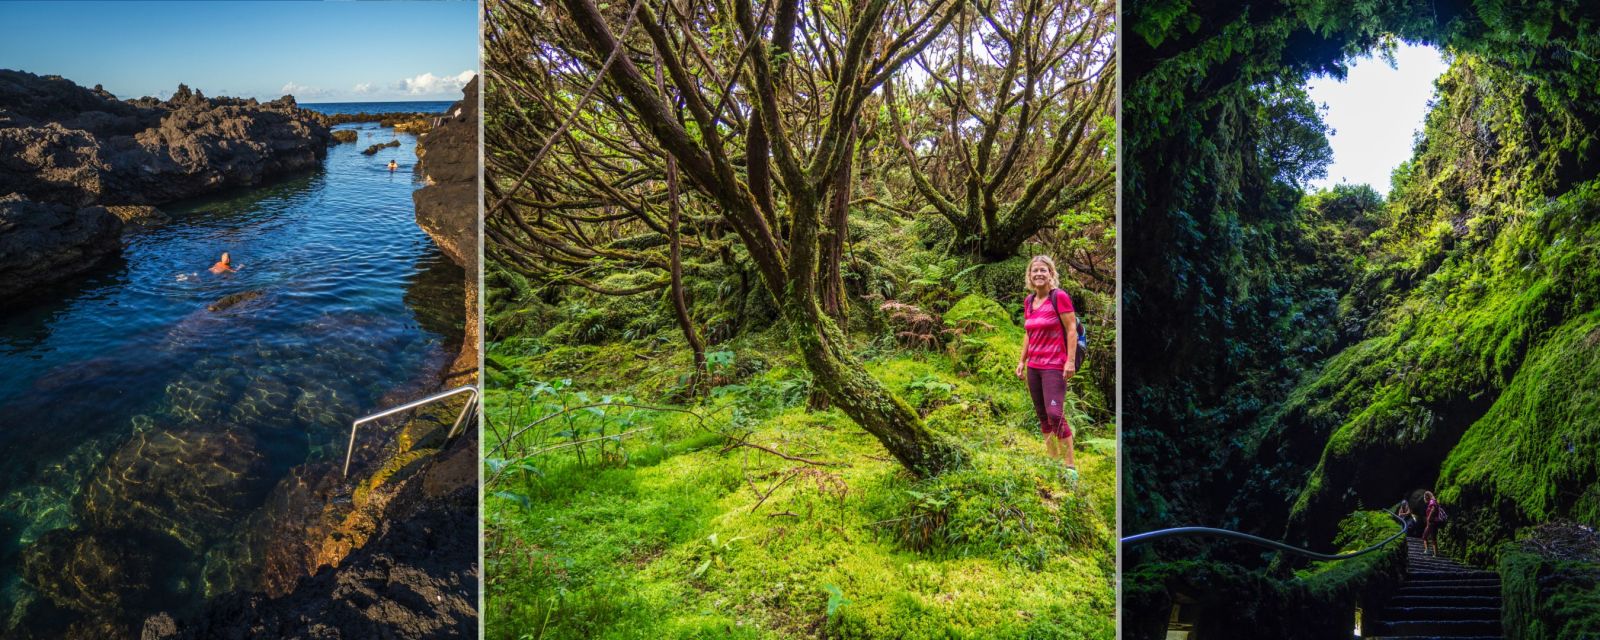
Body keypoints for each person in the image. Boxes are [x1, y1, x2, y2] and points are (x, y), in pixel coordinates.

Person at [1014, 255, 1079, 479]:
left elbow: (1071, 329)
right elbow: (1028, 333)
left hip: (1054, 365)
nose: (1039, 274)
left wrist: (1070, 361)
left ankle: (1070, 467)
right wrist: (1022, 360)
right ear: (1029, 276)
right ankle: (1053, 461)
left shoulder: (1058, 297)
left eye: (1044, 270)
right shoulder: (1029, 301)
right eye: (1035, 271)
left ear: (1051, 274)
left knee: (1055, 413)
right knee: (1042, 415)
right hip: (1034, 366)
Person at [1422, 490, 1444, 555]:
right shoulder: (1434, 501)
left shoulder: (1432, 501)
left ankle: (1427, 550)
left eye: (1424, 497)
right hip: (1434, 522)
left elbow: (1433, 509)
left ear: (1427, 496)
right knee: (1433, 537)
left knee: (1424, 536)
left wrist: (1429, 517)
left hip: (1431, 522)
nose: (1424, 498)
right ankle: (1435, 553)